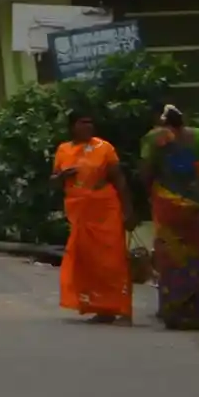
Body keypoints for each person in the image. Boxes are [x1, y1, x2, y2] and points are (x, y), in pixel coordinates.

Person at [140, 103, 199, 332]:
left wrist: (151, 196)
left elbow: (146, 172)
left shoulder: (154, 138)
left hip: (168, 208)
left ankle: (174, 311)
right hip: (197, 207)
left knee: (170, 258)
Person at [53, 111, 132, 323]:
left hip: (104, 210)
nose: (88, 126)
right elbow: (55, 181)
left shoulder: (104, 148)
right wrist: (62, 176)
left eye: (90, 122)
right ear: (72, 126)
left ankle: (119, 307)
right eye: (83, 122)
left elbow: (119, 179)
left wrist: (128, 210)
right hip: (80, 212)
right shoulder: (63, 150)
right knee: (87, 260)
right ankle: (98, 306)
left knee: (111, 259)